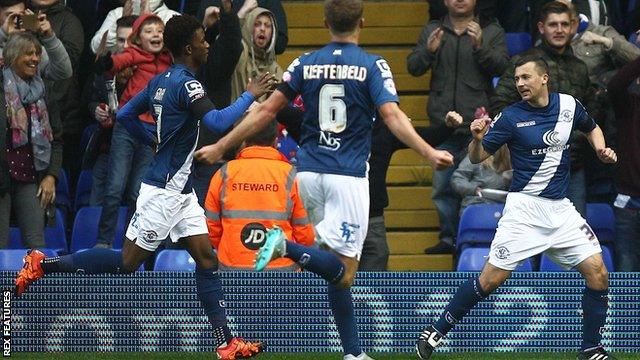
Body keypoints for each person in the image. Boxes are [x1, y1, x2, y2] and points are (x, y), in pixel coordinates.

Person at [195, 0, 455, 358]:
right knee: (345, 273)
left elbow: (267, 110)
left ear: (324, 22)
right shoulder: (372, 65)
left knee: (330, 270)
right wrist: (428, 152)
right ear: (362, 22)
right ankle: (286, 248)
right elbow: (392, 115)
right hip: (346, 176)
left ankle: (353, 352)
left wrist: (222, 145)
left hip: (307, 173)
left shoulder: (305, 63)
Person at [14, 14, 275, 360]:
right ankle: (41, 264)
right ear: (187, 48)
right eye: (202, 39)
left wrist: (154, 138)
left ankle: (227, 343)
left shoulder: (160, 81)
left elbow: (123, 116)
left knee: (206, 259)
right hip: (164, 192)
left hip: (181, 194)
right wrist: (249, 96)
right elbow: (216, 121)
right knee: (126, 263)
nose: (206, 44)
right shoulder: (187, 84)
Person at [416, 55, 617, 360]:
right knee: (490, 280)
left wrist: (600, 149)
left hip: (561, 210)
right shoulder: (510, 117)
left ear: (544, 78)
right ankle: (435, 332)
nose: (520, 83)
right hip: (524, 211)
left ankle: (590, 349)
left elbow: (592, 127)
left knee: (598, 273)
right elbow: (477, 157)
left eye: (526, 77)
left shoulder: (568, 105)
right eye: (517, 79)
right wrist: (476, 139)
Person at [407, 0, 510, 255]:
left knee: (479, 187)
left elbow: (504, 67)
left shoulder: (491, 30)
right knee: (442, 187)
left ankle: (476, 238)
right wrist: (429, 52)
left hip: (478, 126)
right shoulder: (433, 29)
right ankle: (448, 238)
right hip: (442, 126)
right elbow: (413, 67)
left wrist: (480, 47)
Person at [492, 1, 596, 218]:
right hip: (531, 167)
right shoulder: (524, 65)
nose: (559, 30)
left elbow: (589, 115)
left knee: (574, 241)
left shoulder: (580, 68)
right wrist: (526, 133)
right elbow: (500, 104)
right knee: (530, 240)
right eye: (553, 24)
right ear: (541, 28)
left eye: (564, 24)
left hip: (572, 166)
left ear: (573, 26)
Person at [93, 12, 171, 248]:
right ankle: (104, 242)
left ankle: (131, 243)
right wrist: (107, 62)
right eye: (148, 31)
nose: (155, 34)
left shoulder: (170, 59)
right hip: (127, 128)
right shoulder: (135, 54)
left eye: (159, 30)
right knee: (115, 188)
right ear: (138, 39)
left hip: (151, 133)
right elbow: (117, 63)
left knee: (139, 194)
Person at [204, 119, 314, 270]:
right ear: (275, 141)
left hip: (232, 270)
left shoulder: (224, 173)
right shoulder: (291, 176)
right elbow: (305, 235)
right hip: (282, 273)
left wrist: (231, 249)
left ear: (243, 140)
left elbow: (212, 228)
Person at [0, 32, 65, 248]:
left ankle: (34, 284)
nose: (35, 58)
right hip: (1, 176)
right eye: (28, 53)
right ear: (12, 56)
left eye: (37, 53)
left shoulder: (44, 92)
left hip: (31, 176)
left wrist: (51, 176)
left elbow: (57, 139)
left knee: (37, 247)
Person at [83, 15, 136, 206]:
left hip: (139, 152)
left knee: (135, 206)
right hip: (107, 149)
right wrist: (96, 109)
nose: (125, 45)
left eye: (131, 40)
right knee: (97, 206)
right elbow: (89, 100)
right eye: (121, 40)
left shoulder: (152, 71)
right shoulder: (106, 66)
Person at [607, 54, 640, 272]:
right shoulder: (629, 106)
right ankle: (626, 309)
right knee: (626, 263)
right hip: (629, 200)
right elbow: (616, 84)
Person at [230, 6, 282, 102]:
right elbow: (226, 42)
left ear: (273, 33)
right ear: (249, 27)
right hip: (236, 115)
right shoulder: (240, 53)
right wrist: (240, 16)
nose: (262, 29)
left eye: (267, 25)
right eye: (257, 24)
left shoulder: (276, 70)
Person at [196, 0, 288, 55]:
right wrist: (205, 25)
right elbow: (195, 45)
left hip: (256, 72)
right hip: (219, 73)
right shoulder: (209, 3)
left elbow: (280, 44)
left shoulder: (266, 2)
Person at [90, 0, 179, 54]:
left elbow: (169, 57)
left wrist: (146, 23)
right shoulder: (117, 13)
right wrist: (120, 24)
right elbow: (96, 47)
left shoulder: (171, 17)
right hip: (115, 78)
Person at [450, 145, 511, 215]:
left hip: (502, 206)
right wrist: (474, 189)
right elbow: (457, 179)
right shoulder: (475, 157)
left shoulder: (512, 160)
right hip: (476, 204)